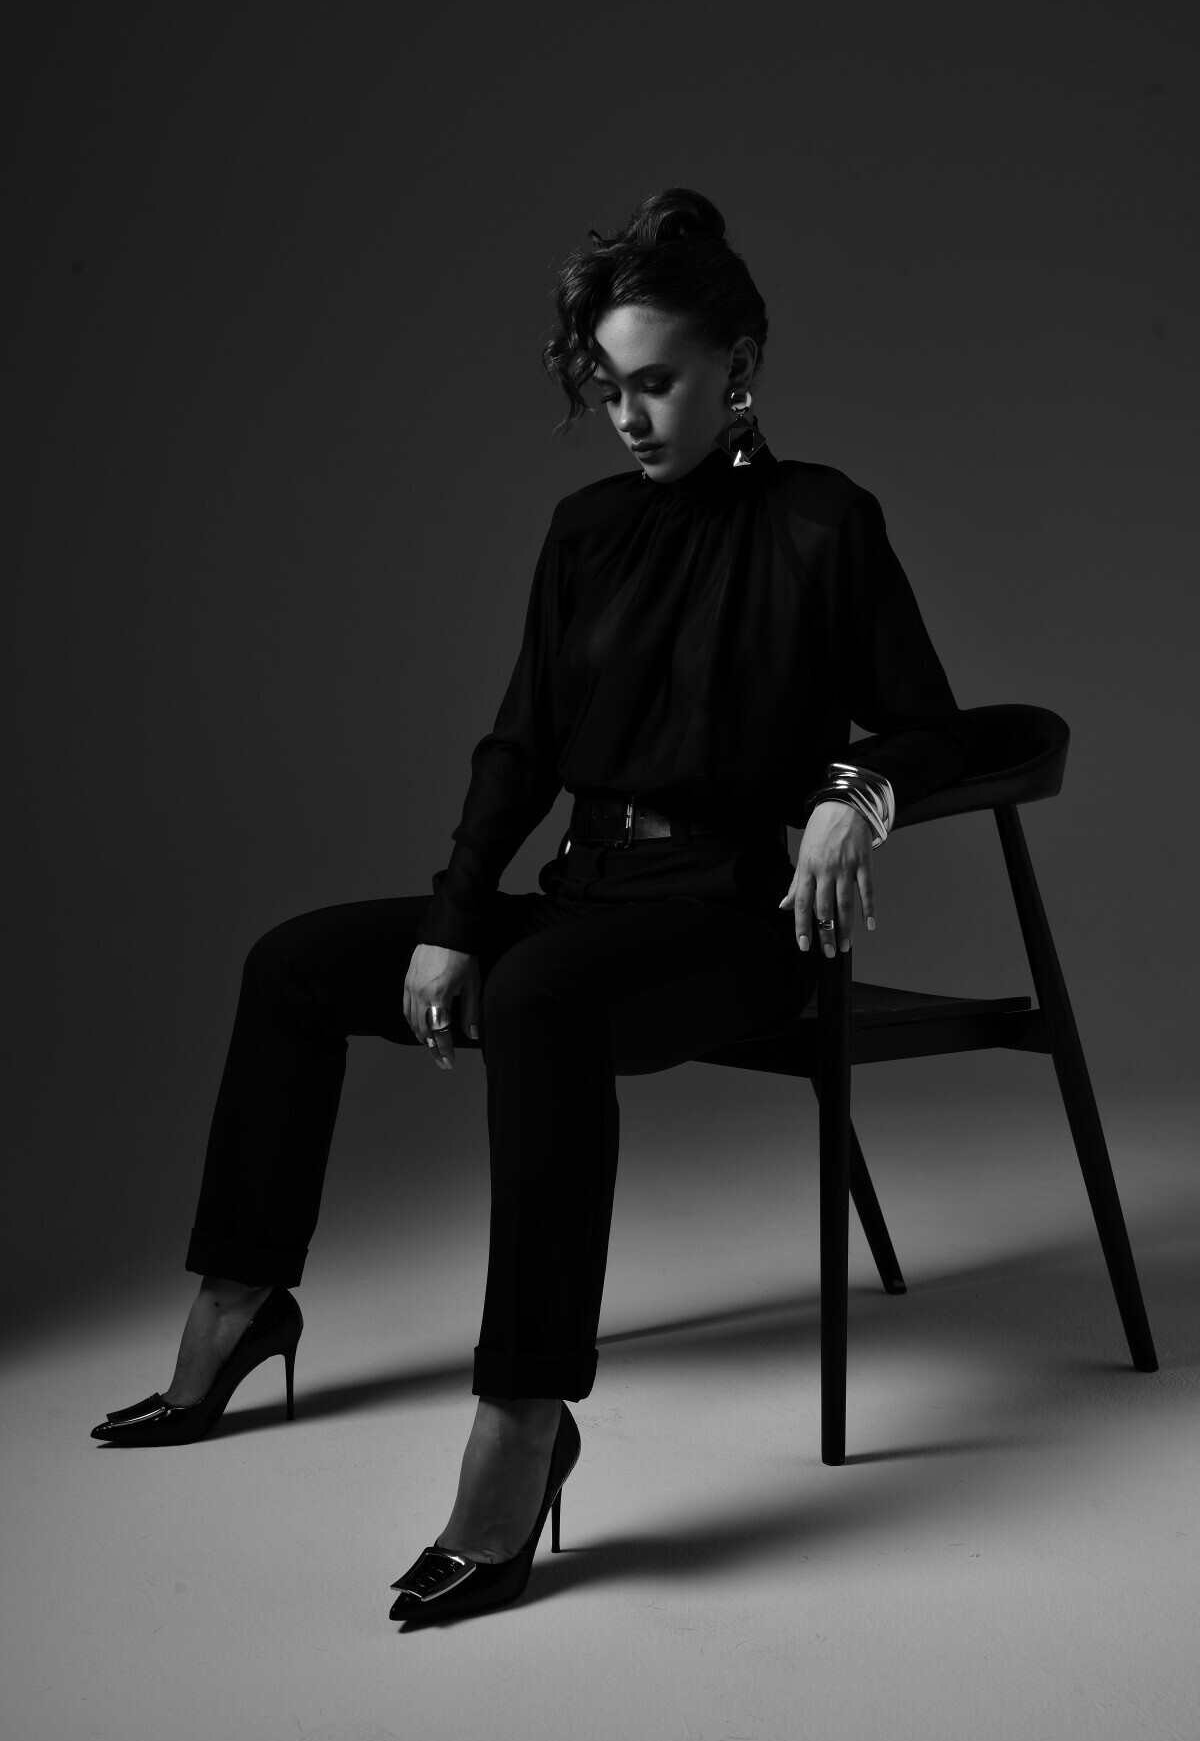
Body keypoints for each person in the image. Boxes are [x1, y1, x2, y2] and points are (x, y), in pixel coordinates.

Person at [91, 187, 973, 1623]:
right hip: (584, 900)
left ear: (741, 366)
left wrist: (851, 795)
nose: (627, 417)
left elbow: (933, 726)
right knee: (295, 964)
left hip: (735, 927)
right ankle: (240, 1305)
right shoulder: (586, 532)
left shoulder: (825, 522)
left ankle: (522, 1420)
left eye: (656, 384)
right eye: (606, 389)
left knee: (539, 994)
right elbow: (519, 750)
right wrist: (454, 915)